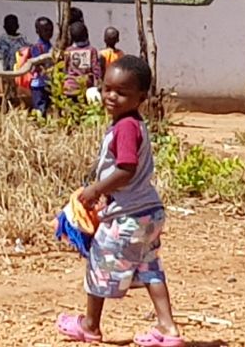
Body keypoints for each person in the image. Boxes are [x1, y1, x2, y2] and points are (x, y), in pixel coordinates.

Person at [56, 55, 184, 347]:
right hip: (148, 211)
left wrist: (95, 190)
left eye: (122, 92)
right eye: (107, 88)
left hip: (128, 216)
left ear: (141, 97)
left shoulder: (126, 127)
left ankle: (90, 326)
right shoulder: (134, 124)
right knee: (150, 267)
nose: (111, 96)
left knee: (99, 262)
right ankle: (168, 329)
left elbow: (125, 168)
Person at [63, 21, 102, 99]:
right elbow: (96, 69)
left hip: (69, 87)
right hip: (85, 87)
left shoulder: (68, 50)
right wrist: (98, 83)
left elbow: (65, 67)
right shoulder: (91, 50)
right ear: (87, 34)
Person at [29, 16, 54, 116]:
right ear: (37, 31)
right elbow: (37, 65)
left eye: (50, 30)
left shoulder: (51, 46)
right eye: (45, 30)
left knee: (48, 107)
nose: (48, 33)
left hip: (48, 83)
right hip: (38, 84)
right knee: (40, 108)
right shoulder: (36, 47)